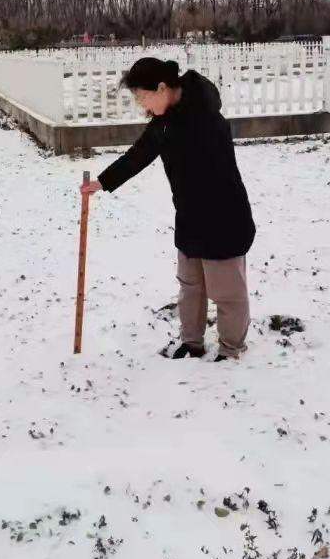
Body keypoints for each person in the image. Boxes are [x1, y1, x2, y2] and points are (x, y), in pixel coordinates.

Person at [82, 58, 256, 361]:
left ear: (161, 88)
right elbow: (139, 155)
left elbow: (221, 178)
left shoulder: (207, 120)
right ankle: (192, 342)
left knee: (227, 291)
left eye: (142, 97)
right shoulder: (165, 122)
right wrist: (102, 183)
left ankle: (231, 349)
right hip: (189, 217)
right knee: (191, 285)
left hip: (223, 219)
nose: (142, 106)